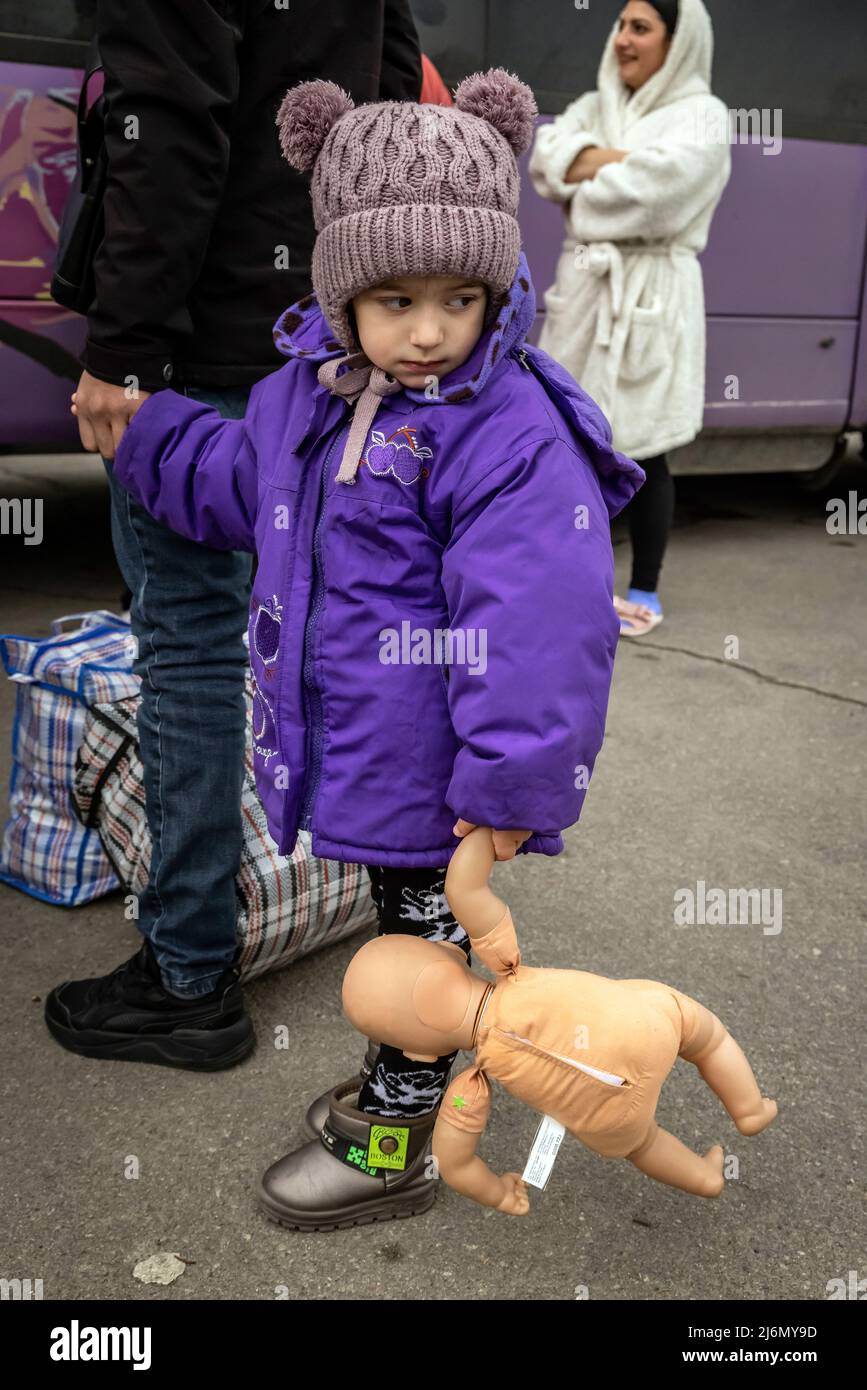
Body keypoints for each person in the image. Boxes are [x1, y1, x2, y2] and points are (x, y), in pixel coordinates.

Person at [103, 68, 644, 1229]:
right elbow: (243, 481)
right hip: (370, 753)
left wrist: (502, 792)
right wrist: (149, 435)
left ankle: (398, 1136)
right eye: (394, 298)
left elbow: (542, 629)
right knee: (409, 955)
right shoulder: (309, 396)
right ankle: (401, 1085)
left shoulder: (506, 432)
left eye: (460, 296)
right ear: (343, 289)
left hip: (443, 777)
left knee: (422, 961)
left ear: (497, 289)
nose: (430, 330)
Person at [45, 0, 422, 1068]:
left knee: (192, 645)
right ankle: (396, 929)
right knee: (311, 617)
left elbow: (161, 117)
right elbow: (387, 102)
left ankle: (190, 972)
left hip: (201, 346)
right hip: (312, 329)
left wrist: (122, 348)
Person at [528, 0, 730, 635]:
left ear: (679, 40)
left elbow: (662, 194)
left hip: (652, 296)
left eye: (640, 27)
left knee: (649, 448)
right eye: (620, 25)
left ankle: (645, 587)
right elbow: (544, 159)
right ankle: (568, 579)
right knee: (566, 444)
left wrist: (586, 174)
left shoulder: (705, 115)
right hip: (587, 293)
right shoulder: (596, 102)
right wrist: (625, 162)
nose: (622, 39)